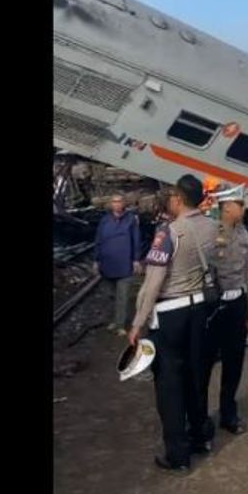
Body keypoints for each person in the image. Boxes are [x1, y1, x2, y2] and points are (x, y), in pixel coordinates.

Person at [128, 174, 219, 475]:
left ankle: (178, 455)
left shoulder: (169, 232)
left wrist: (138, 322)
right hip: (199, 312)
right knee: (195, 376)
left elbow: (153, 282)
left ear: (178, 199)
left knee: (169, 384)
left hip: (170, 315)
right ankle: (200, 437)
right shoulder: (210, 226)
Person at [205, 183, 248, 435]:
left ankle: (229, 413)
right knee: (204, 361)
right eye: (239, 204)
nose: (243, 208)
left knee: (234, 360)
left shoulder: (243, 233)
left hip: (237, 301)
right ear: (227, 207)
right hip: (214, 304)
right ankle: (200, 416)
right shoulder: (209, 232)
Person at [95, 192, 143, 335]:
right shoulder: (104, 220)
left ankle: (120, 325)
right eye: (114, 201)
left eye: (119, 201)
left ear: (124, 203)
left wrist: (136, 260)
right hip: (107, 264)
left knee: (122, 295)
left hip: (124, 264)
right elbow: (98, 240)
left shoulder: (131, 220)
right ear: (110, 204)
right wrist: (96, 260)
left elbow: (136, 240)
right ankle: (115, 320)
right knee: (111, 295)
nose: (116, 204)